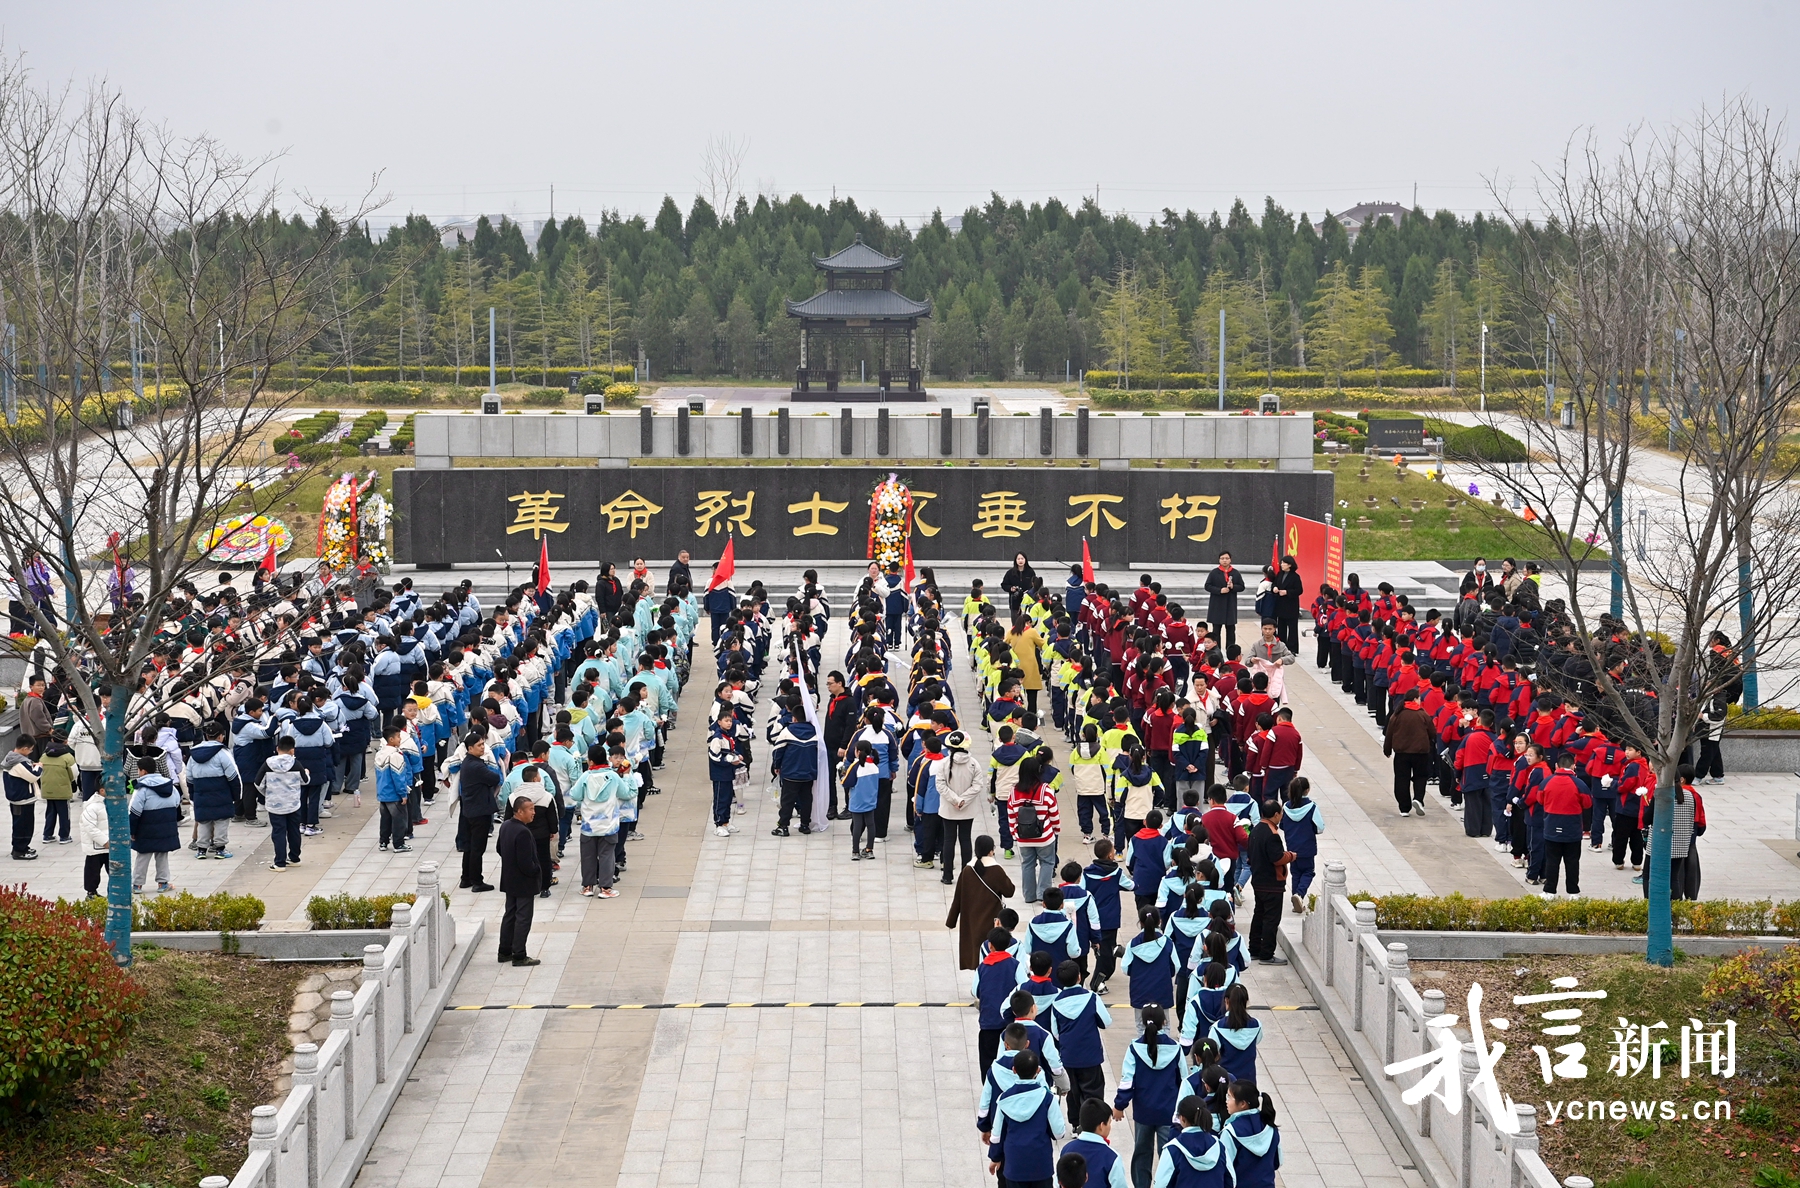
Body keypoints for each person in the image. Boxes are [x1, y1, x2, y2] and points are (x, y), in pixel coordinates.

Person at [1113, 1005, 1184, 1188]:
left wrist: (1119, 1105)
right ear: (1165, 1022)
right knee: (1168, 1155)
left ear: (1142, 1023)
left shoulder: (1134, 1049)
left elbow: (1127, 1081)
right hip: (1168, 1113)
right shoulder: (1176, 1049)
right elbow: (1184, 1081)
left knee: (1142, 1154)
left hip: (1143, 1113)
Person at [986, 1048, 1066, 1188]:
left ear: (1014, 1070)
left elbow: (997, 1135)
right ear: (1038, 1071)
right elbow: (1059, 1133)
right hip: (1041, 1165)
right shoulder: (1047, 1099)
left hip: (1014, 1165)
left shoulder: (1004, 1099)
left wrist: (995, 1157)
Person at [948, 835, 1016, 968]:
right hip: (991, 921)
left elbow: (958, 899)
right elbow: (1010, 892)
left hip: (971, 922)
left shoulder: (967, 870)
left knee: (975, 956)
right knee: (991, 956)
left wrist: (951, 921)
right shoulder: (996, 870)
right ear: (991, 851)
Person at [496, 792, 542, 966]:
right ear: (519, 812)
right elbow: (526, 863)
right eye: (530, 809)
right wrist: (536, 870)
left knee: (510, 915)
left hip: (509, 879)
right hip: (523, 882)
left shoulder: (506, 825)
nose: (533, 813)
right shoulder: (523, 832)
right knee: (523, 917)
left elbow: (500, 848)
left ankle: (504, 951)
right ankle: (519, 955)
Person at [128, 756, 181, 894]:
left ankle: (137, 885)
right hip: (166, 827)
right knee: (162, 854)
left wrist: (132, 831)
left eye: (139, 770)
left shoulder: (142, 789)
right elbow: (176, 803)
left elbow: (134, 811)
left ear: (143, 771)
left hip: (146, 828)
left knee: (143, 856)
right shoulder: (169, 785)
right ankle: (163, 883)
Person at [1245, 800, 1289, 965]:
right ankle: (1266, 954)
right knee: (1271, 919)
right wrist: (1290, 856)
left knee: (1259, 915)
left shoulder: (1256, 829)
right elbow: (1277, 858)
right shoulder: (1272, 834)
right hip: (1272, 882)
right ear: (1276, 814)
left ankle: (1254, 949)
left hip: (1258, 880)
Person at [458, 732, 501, 891]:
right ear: (470, 748)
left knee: (470, 846)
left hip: (470, 809)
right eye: (479, 745)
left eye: (483, 744)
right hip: (479, 811)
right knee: (477, 847)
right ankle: (477, 881)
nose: (483, 747)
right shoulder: (476, 766)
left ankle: (466, 878)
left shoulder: (468, 762)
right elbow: (495, 778)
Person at [1219, 1079, 1281, 1188]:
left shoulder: (1231, 1132)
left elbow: (1224, 1168)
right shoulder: (1270, 1126)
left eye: (1229, 1097)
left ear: (1243, 1104)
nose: (1226, 1101)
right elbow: (1277, 1162)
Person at [1382, 688, 1434, 817]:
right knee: (1420, 777)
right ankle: (1418, 799)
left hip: (1401, 753)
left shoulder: (1397, 714)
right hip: (1421, 752)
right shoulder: (1423, 714)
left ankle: (1404, 808)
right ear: (1415, 699)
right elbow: (1432, 732)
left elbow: (1389, 733)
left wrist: (1387, 749)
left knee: (1401, 779)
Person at [261, 736, 307, 870]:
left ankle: (279, 862)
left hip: (275, 804)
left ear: (277, 749)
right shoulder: (296, 764)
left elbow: (258, 783)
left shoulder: (268, 764)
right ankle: (294, 858)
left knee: (278, 832)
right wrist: (307, 773)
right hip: (293, 803)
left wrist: (269, 793)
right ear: (292, 751)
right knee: (294, 830)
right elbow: (305, 781)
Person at [1280, 778, 1322, 913]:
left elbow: (1282, 825)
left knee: (1296, 872)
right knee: (1308, 872)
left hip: (1292, 847)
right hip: (1307, 847)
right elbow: (1320, 827)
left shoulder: (1285, 807)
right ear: (1307, 790)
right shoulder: (1312, 807)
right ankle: (1299, 894)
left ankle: (1296, 901)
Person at [1063, 1100, 1127, 1188]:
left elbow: (1058, 1182)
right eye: (1109, 1122)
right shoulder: (1112, 1157)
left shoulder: (1066, 1150)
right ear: (1101, 1126)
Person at [375, 727, 413, 852]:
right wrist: (403, 793)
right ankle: (398, 844)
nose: (400, 739)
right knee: (399, 819)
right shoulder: (395, 755)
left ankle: (383, 842)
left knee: (385, 819)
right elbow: (398, 776)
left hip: (383, 793)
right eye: (398, 736)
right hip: (394, 794)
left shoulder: (380, 753)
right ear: (391, 739)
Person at [4, 737, 41, 860]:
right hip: (22, 799)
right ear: (24, 748)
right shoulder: (19, 762)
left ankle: (23, 847)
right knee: (23, 825)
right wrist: (39, 766)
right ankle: (19, 850)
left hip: (17, 797)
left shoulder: (10, 758)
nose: (30, 752)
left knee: (23, 824)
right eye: (30, 750)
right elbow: (34, 776)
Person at [37, 737, 77, 846]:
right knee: (64, 814)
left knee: (50, 812)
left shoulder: (44, 756)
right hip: (62, 790)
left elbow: (39, 770)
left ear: (52, 740)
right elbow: (74, 774)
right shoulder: (68, 757)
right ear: (65, 742)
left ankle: (47, 835)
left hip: (47, 789)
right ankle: (64, 836)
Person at [1203, 554, 1245, 651]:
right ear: (1219, 560)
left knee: (1231, 630)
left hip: (1230, 605)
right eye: (1222, 559)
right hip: (1217, 605)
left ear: (1230, 560)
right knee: (1216, 630)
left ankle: (1230, 650)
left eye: (1227, 558)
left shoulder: (1235, 573)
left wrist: (1233, 587)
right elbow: (1207, 586)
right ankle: (1216, 649)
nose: (1224, 560)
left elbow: (1242, 587)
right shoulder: (1214, 573)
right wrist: (1219, 590)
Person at [81, 790, 110, 897]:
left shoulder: (113, 802)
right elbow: (90, 828)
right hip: (96, 847)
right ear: (102, 790)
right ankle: (91, 893)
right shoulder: (92, 807)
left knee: (115, 872)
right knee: (92, 871)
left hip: (111, 846)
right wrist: (105, 841)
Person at [1002, 552, 1037, 619]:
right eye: (1018, 559)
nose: (1020, 560)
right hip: (1015, 601)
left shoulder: (1030, 572)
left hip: (1027, 601)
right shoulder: (1010, 572)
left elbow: (1035, 585)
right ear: (1015, 560)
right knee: (1015, 623)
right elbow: (1004, 584)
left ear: (1025, 560)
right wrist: (1011, 588)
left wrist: (1028, 592)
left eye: (1022, 558)